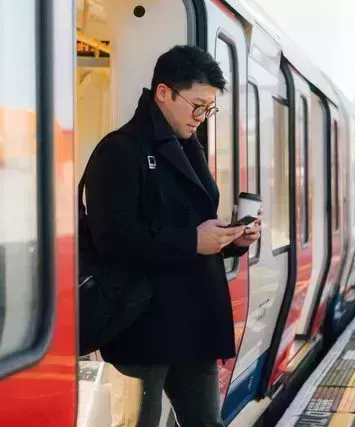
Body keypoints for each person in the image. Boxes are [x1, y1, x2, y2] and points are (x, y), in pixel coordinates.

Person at [84, 45, 262, 427]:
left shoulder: (188, 146)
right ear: (164, 92)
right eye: (197, 105)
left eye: (208, 108)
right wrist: (191, 241)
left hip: (193, 321)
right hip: (142, 325)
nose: (202, 117)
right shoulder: (119, 150)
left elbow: (194, 225)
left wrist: (233, 240)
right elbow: (111, 236)